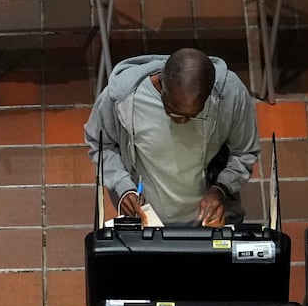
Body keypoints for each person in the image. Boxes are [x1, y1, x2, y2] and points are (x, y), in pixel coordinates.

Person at [85, 48, 259, 226]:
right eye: (174, 113)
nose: (183, 122)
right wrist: (122, 187)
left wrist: (220, 189)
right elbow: (100, 144)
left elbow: (244, 152)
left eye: (194, 115)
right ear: (161, 87)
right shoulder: (122, 97)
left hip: (208, 220)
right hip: (149, 219)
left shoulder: (231, 95)